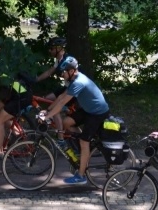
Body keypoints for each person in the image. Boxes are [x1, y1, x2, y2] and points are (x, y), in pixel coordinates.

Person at [40, 56, 110, 185]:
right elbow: (61, 96)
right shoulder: (74, 79)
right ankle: (80, 153)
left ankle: (81, 176)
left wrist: (48, 116)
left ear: (71, 71)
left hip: (97, 113)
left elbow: (62, 103)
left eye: (63, 72)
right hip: (88, 110)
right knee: (66, 123)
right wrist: (48, 109)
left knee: (84, 142)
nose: (62, 75)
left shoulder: (79, 82)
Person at [35, 37, 74, 145]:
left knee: (55, 106)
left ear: (59, 48)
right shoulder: (59, 59)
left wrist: (60, 103)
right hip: (66, 87)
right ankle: (57, 116)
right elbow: (49, 72)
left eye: (51, 48)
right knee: (46, 99)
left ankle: (60, 138)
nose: (49, 51)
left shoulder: (66, 61)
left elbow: (71, 86)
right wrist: (36, 79)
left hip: (73, 90)